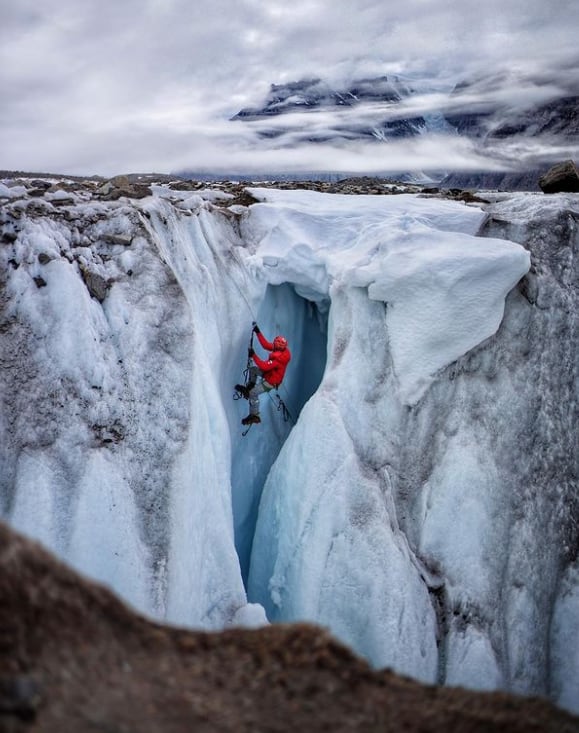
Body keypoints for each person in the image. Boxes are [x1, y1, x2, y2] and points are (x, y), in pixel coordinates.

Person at [236, 323, 291, 425]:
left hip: (271, 382)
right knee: (253, 370)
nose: (274, 346)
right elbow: (266, 345)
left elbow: (264, 366)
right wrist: (258, 332)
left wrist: (253, 355)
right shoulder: (280, 349)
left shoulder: (278, 359)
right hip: (269, 374)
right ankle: (248, 389)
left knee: (254, 393)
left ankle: (254, 415)